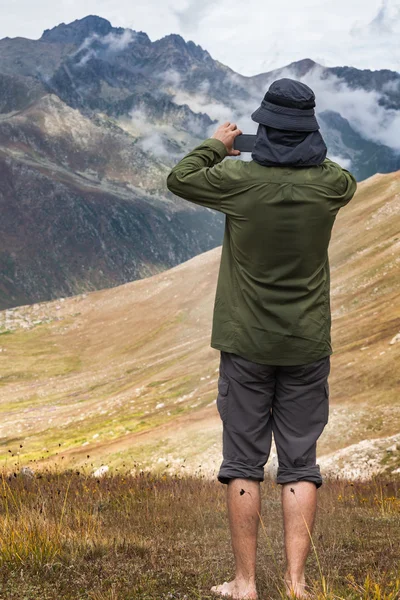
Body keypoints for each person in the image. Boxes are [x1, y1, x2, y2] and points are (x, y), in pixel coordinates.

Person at [166, 78, 357, 600]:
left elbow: (180, 177)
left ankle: (246, 583)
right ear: (311, 134)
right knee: (301, 463)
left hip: (247, 344)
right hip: (306, 344)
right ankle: (297, 584)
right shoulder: (330, 188)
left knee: (243, 463)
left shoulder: (238, 182)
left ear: (264, 131)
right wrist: (304, 153)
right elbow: (341, 175)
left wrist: (219, 144)